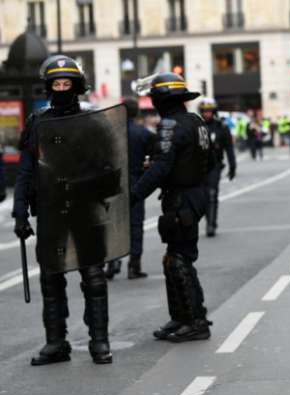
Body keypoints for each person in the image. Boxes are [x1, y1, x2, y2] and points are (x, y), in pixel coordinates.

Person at [13, 55, 116, 365]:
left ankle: (100, 341)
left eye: (66, 83)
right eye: (56, 83)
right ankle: (56, 342)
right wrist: (20, 211)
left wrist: (91, 183)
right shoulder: (37, 122)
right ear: (49, 86)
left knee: (94, 276)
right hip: (49, 207)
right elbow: (26, 170)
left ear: (76, 85)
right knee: (51, 277)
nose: (60, 88)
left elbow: (110, 165)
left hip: (85, 207)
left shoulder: (93, 121)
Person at [131, 72, 213, 342]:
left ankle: (195, 321)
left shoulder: (169, 125)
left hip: (182, 197)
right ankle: (182, 317)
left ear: (161, 100)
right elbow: (205, 160)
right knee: (175, 257)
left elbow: (162, 166)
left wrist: (134, 195)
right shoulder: (196, 121)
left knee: (179, 259)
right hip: (196, 193)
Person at [105, 97, 155, 280]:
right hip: (135, 181)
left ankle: (112, 261)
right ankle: (134, 265)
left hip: (112, 183)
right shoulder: (143, 133)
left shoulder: (109, 133)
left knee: (114, 224)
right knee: (135, 224)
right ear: (136, 112)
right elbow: (156, 156)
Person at [198, 98, 236, 237]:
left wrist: (233, 167)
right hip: (199, 166)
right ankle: (207, 219)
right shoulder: (197, 126)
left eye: (209, 111)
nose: (206, 114)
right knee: (202, 197)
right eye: (204, 111)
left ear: (214, 112)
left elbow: (229, 148)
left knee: (212, 194)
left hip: (215, 165)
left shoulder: (221, 127)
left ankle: (211, 224)